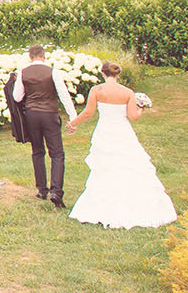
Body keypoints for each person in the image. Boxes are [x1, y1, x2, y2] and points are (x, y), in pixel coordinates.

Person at [66, 62, 177, 228]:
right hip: (123, 132)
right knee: (128, 165)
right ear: (118, 75)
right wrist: (141, 109)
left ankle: (103, 205)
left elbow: (88, 112)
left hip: (104, 131)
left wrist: (73, 123)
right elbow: (132, 116)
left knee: (106, 167)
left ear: (102, 73)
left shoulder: (97, 90)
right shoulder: (127, 92)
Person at [2, 45, 78, 207]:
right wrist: (73, 117)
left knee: (37, 151)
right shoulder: (53, 72)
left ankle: (41, 189)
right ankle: (56, 191)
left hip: (31, 115)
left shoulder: (23, 72)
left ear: (30, 57)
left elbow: (16, 97)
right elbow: (63, 95)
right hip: (49, 114)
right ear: (44, 56)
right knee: (57, 153)